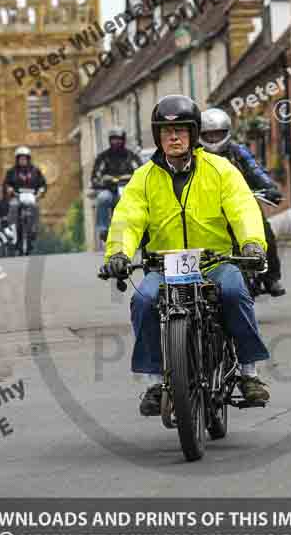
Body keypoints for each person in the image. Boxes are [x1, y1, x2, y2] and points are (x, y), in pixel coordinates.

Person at [102, 94, 271, 416]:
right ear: (158, 137)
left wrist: (251, 244)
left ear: (194, 135)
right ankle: (154, 382)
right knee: (143, 301)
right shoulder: (143, 178)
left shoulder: (220, 169)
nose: (174, 137)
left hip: (216, 262)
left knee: (236, 291)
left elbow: (242, 208)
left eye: (181, 130)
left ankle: (249, 374)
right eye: (167, 133)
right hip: (164, 265)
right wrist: (119, 254)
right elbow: (128, 217)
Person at [200, 108, 286, 297]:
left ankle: (271, 277)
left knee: (265, 232)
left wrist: (269, 187)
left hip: (244, 204)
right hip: (211, 208)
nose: (214, 139)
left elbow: (255, 170)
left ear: (227, 133)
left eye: (218, 134)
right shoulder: (197, 157)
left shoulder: (238, 152)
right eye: (209, 135)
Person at [91, 127, 142, 242]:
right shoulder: (103, 157)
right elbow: (95, 176)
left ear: (123, 140)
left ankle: (139, 229)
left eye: (119, 139)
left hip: (128, 190)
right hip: (108, 190)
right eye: (113, 139)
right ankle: (103, 230)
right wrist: (102, 181)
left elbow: (141, 172)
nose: (116, 142)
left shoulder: (132, 157)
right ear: (109, 140)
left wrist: (130, 178)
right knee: (102, 198)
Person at [3, 146, 47, 250]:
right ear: (17, 159)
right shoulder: (11, 172)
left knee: (35, 207)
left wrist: (41, 191)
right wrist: (9, 189)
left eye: (24, 158)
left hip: (32, 197)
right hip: (16, 196)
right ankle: (12, 231)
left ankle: (34, 229)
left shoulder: (36, 171)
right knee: (13, 206)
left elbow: (43, 184)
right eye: (20, 158)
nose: (22, 160)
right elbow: (6, 184)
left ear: (28, 159)